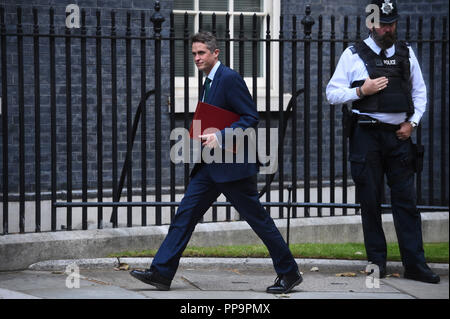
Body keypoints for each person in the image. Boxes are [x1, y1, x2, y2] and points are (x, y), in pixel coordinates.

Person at [130, 31, 302, 293]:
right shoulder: (208, 81)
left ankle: (289, 273)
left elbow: (250, 117)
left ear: (215, 53)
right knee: (185, 215)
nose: (197, 58)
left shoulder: (229, 78)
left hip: (234, 167)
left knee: (258, 220)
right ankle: (161, 273)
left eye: (201, 53)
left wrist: (221, 136)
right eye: (194, 54)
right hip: (211, 165)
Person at [326, 0, 439, 284]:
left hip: (399, 136)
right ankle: (377, 262)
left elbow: (420, 93)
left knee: (406, 203)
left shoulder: (406, 53)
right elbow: (332, 93)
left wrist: (411, 124)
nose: (388, 28)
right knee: (370, 201)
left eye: (391, 23)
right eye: (382, 23)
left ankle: (415, 264)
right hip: (366, 136)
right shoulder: (352, 55)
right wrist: (361, 91)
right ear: (371, 24)